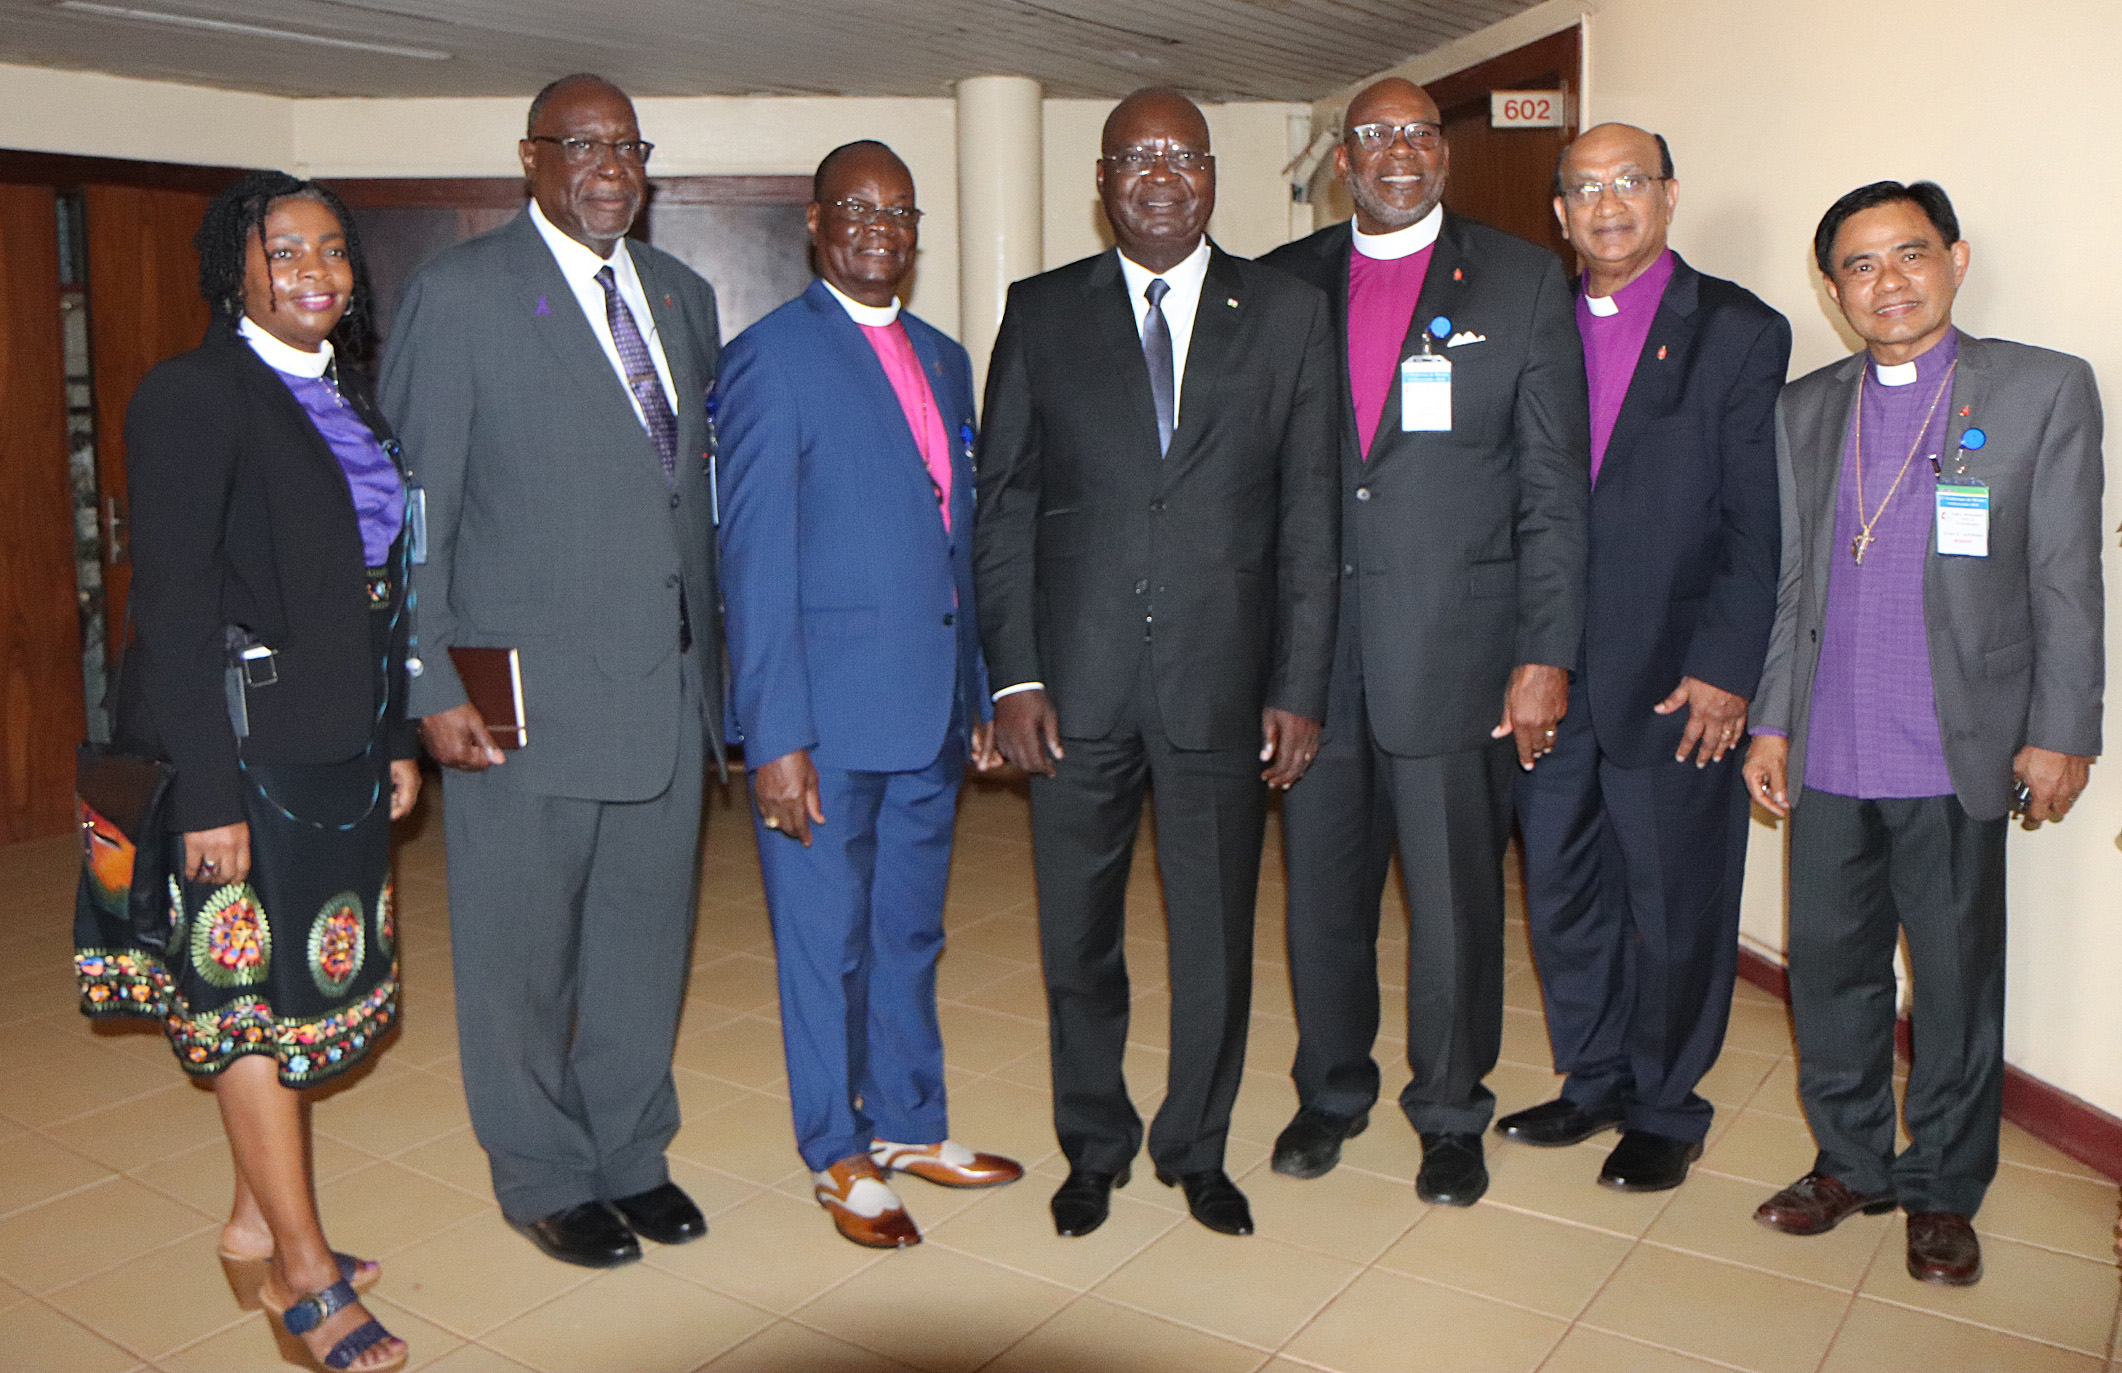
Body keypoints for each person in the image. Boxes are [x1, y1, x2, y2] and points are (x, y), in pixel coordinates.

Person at [974, 87, 1340, 1239]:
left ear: (1212, 176)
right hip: (1072, 689)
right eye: (1136, 158)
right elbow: (1005, 509)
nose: (1161, 177)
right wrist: (1014, 673)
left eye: (1182, 156)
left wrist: (1299, 681)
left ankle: (1195, 1143)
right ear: (1102, 180)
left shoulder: (1284, 314)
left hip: (1224, 686)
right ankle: (1094, 1141)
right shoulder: (1040, 312)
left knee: (1215, 935)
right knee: (1076, 935)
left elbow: (1313, 515)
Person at [381, 73, 724, 1268]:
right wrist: (426, 681)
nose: (608, 166)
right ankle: (540, 1167)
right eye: (580, 145)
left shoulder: (683, 297)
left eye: (627, 145)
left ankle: (631, 1150)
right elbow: (413, 511)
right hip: (515, 702)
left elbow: (685, 498)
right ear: (529, 159)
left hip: (665, 693)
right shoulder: (461, 295)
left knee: (642, 940)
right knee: (521, 954)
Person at [77, 170, 418, 1373]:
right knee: (253, 1008)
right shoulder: (193, 394)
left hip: (332, 743)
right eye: (286, 251)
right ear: (235, 268)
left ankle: (247, 1217)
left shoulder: (345, 397)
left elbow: (367, 598)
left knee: (280, 997)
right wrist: (207, 800)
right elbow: (170, 606)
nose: (316, 269)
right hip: (237, 757)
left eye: (333, 249)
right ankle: (302, 1272)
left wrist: (390, 738)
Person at [1744, 181, 2103, 1286]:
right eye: (1858, 264)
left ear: (1952, 258)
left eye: (1908, 253)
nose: (1886, 281)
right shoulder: (1804, 408)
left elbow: (2066, 576)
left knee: (1950, 984)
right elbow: (1794, 579)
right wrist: (1770, 717)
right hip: (1831, 748)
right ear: (1832, 285)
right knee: (1832, 972)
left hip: (1956, 746)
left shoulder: (2040, 389)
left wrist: (2062, 729)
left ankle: (1943, 1185)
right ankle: (1850, 1160)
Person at [1259, 77, 1588, 1206]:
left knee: (1453, 898)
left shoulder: (1520, 280)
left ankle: (1450, 1108)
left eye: (1415, 133)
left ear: (1441, 153)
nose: (1396, 152)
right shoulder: (1285, 282)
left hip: (1454, 647)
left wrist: (1544, 652)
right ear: (1340, 158)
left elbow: (1552, 490)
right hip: (1311, 654)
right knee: (1321, 892)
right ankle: (1330, 1088)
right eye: (1371, 136)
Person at [716, 140, 1022, 1250]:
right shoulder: (769, 359)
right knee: (821, 939)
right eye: (857, 209)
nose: (880, 230)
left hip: (930, 706)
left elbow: (958, 538)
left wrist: (980, 685)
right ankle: (834, 1150)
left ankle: (905, 1121)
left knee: (907, 930)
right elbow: (752, 560)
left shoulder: (944, 358)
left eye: (900, 212)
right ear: (815, 222)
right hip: (823, 718)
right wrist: (775, 732)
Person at [1498, 124, 1789, 1192]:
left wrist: (1727, 666)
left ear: (1667, 197)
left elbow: (1759, 521)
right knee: (1566, 892)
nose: (1606, 203)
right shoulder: (1531, 321)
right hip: (1545, 671)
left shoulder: (1736, 330)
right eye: (1582, 188)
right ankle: (1594, 1078)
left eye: (1628, 182)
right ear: (1559, 213)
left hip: (1674, 677)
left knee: (1675, 901)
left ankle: (1667, 1102)